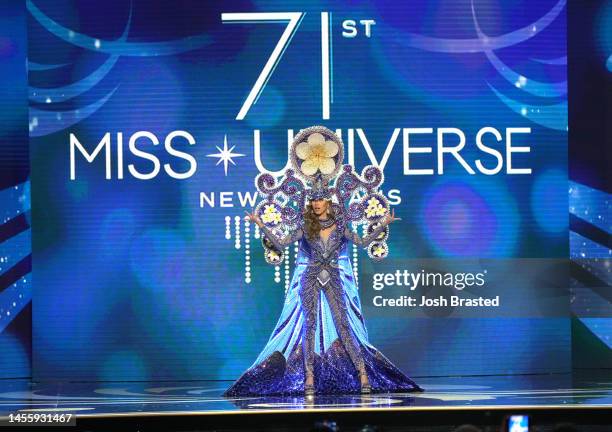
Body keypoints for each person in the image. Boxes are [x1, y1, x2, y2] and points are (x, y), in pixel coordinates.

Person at [223, 126, 422, 397]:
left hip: (335, 278)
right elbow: (281, 244)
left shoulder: (340, 227)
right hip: (310, 277)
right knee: (309, 327)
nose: (317, 205)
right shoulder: (306, 227)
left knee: (344, 326)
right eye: (313, 201)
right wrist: (261, 224)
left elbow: (363, 243)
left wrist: (382, 224)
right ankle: (308, 379)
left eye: (320, 201)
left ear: (328, 202)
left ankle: (363, 374)